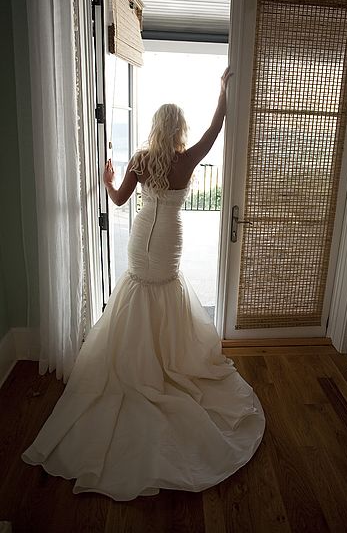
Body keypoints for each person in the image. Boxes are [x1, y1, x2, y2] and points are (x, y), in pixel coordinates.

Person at [21, 68, 265, 501]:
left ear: (155, 126)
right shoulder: (186, 159)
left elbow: (117, 200)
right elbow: (217, 126)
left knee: (138, 289)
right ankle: (164, 359)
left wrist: (108, 178)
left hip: (140, 239)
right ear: (178, 130)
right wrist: (223, 90)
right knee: (165, 290)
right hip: (168, 235)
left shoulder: (139, 158)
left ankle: (139, 363)